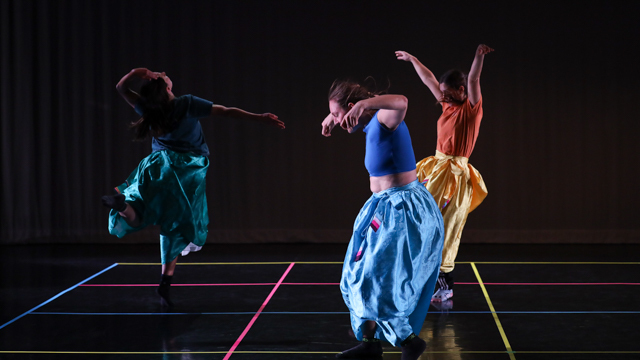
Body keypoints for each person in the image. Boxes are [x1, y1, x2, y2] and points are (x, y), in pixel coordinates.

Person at [102, 68, 284, 307]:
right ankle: (165, 282)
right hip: (186, 172)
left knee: (139, 214)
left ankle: (122, 205)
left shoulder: (149, 108)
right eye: (162, 75)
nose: (164, 72)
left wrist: (137, 72)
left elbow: (120, 88)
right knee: (179, 225)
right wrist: (259, 117)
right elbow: (226, 111)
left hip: (157, 167)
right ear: (167, 87)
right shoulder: (185, 104)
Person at [322, 79, 444, 360]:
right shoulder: (367, 122)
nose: (338, 122)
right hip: (381, 208)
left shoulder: (384, 119)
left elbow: (401, 100)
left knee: (379, 279)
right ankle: (370, 343)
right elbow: (358, 107)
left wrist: (364, 104)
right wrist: (333, 116)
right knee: (358, 274)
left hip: (403, 210)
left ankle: (408, 341)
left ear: (354, 107)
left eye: (339, 115)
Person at [395, 45, 493, 302]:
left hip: (454, 176)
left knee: (443, 228)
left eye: (449, 94)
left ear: (461, 91)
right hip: (436, 169)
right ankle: (421, 278)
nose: (444, 99)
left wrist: (479, 56)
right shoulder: (447, 106)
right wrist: (413, 59)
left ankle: (444, 283)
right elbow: (428, 78)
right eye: (443, 95)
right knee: (418, 221)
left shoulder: (471, 111)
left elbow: (473, 78)